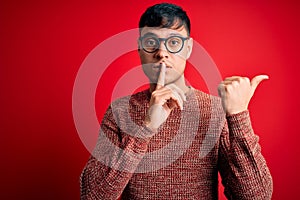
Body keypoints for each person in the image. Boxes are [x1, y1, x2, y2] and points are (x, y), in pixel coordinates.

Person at [80, 3, 273, 200]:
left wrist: (238, 116)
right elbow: (93, 196)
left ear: (188, 48)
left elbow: (256, 197)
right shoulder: (120, 111)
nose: (161, 53)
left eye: (173, 43)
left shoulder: (214, 111)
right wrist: (146, 128)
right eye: (151, 43)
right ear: (140, 48)